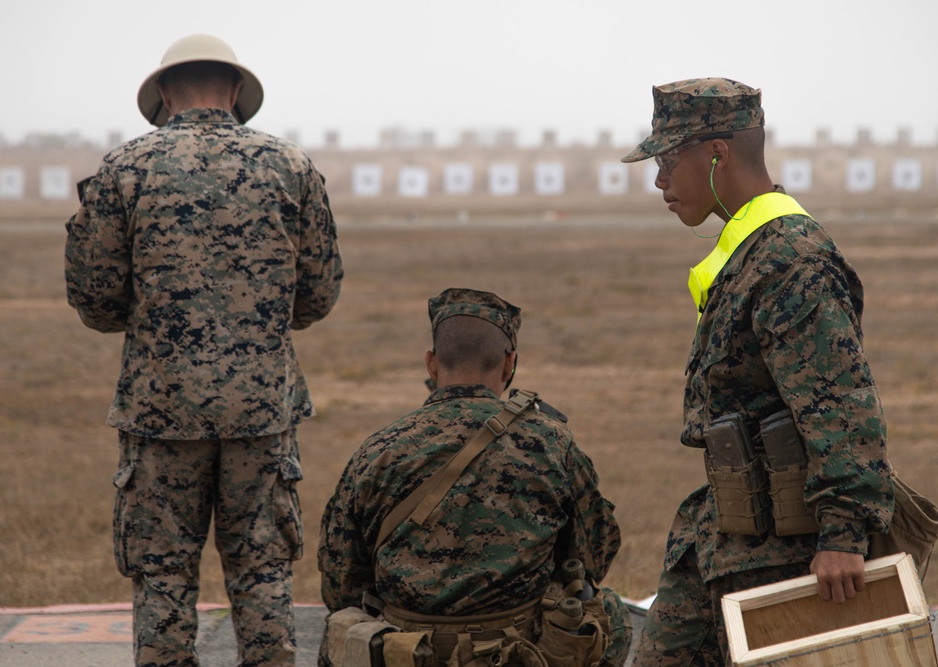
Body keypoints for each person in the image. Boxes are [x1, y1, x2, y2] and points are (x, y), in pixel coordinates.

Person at [64, 34, 344, 667]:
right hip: (260, 411)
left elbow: (97, 303)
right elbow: (319, 295)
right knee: (263, 574)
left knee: (161, 577)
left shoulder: (124, 169)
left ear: (163, 94)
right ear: (238, 91)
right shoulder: (290, 166)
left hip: (160, 415)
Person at [620, 78, 894, 665]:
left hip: (784, 552)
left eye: (669, 160)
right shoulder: (748, 250)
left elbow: (841, 398)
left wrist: (844, 534)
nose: (660, 180)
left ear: (716, 153)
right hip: (723, 537)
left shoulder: (790, 260)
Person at [317, 288, 631, 667]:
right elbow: (593, 555)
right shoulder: (550, 443)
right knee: (609, 610)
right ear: (509, 364)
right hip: (519, 653)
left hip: (407, 653)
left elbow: (340, 585)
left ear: (432, 364)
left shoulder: (379, 450)